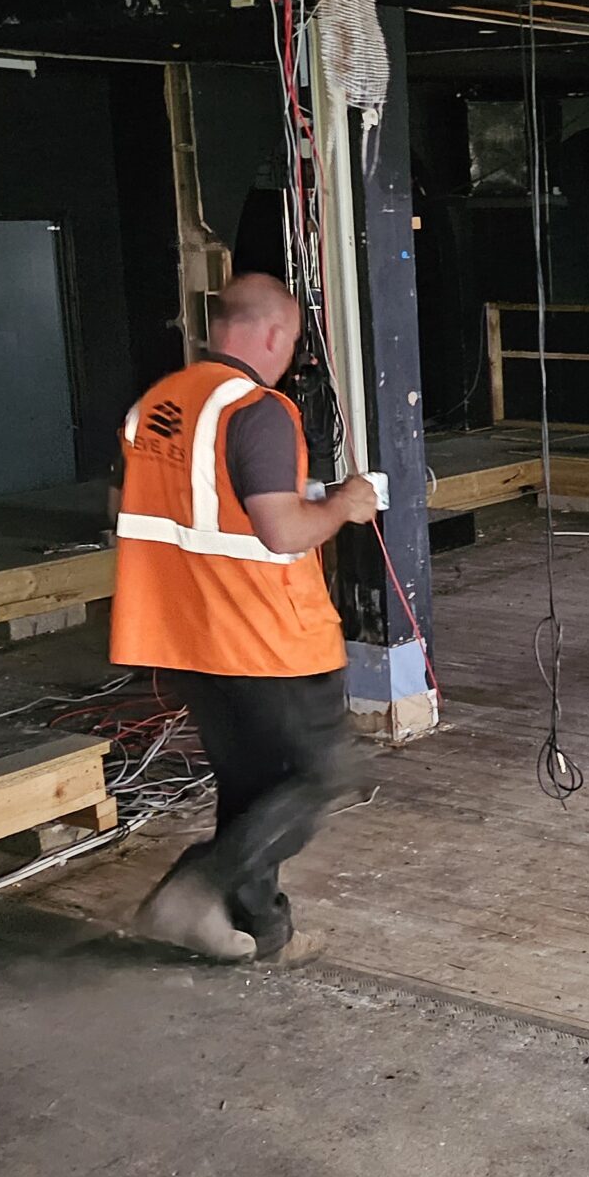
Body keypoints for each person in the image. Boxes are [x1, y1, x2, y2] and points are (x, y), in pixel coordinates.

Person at [111, 274, 379, 963]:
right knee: (319, 775)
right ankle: (196, 889)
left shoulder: (156, 406)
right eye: (290, 341)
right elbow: (283, 532)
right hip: (267, 637)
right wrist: (344, 506)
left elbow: (146, 509)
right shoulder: (257, 409)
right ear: (270, 334)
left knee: (253, 784)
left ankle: (260, 932)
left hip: (185, 635)